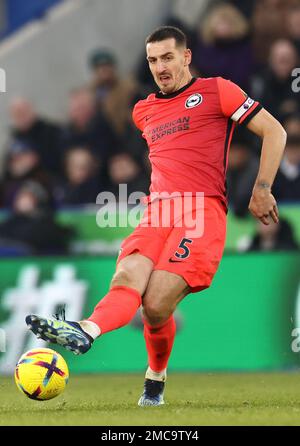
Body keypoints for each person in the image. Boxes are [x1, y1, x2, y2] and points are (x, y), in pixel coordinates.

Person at [26, 26, 286, 406]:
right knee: (126, 277)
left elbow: (275, 131)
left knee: (156, 304)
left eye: (167, 57)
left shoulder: (218, 90)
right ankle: (84, 329)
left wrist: (262, 187)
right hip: (156, 212)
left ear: (186, 56)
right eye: (152, 60)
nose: (160, 66)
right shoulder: (142, 111)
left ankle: (155, 378)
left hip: (201, 211)